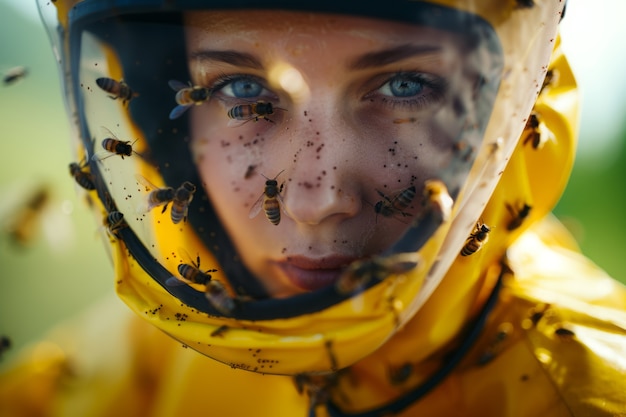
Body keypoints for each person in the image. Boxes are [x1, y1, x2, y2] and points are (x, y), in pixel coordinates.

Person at [1, 0, 625, 416]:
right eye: (242, 91)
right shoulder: (143, 361)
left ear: (512, 103)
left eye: (405, 86)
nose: (320, 201)